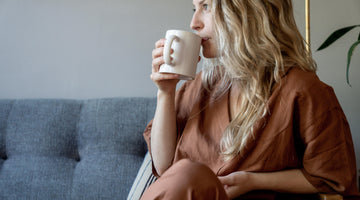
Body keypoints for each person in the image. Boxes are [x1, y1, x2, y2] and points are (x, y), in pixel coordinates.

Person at [141, 0, 360, 199]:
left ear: (247, 11)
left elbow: (332, 177)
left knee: (188, 175)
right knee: (185, 175)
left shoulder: (302, 90)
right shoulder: (201, 85)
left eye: (206, 6)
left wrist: (253, 180)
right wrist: (166, 93)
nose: (193, 23)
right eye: (194, 8)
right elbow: (163, 168)